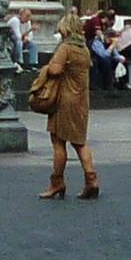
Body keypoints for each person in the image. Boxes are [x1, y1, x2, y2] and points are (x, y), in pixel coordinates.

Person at [33, 11, 100, 200]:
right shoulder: (84, 49)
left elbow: (55, 70)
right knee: (80, 142)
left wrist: (46, 67)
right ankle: (91, 179)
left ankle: (57, 182)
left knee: (58, 142)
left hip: (64, 100)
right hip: (81, 100)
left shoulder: (66, 48)